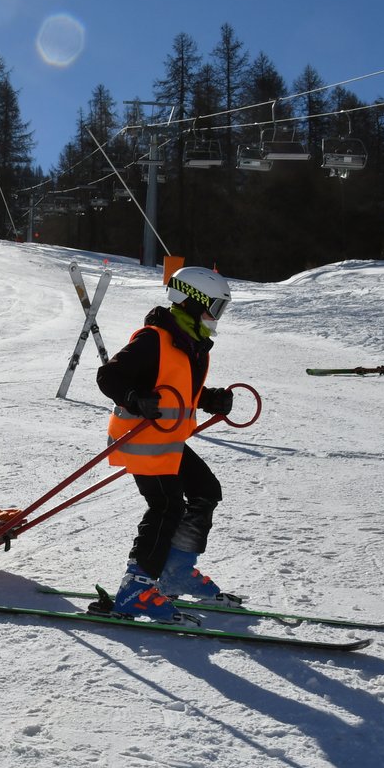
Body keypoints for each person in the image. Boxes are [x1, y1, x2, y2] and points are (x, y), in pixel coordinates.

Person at [96, 266, 237, 621]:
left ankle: (175, 570)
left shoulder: (191, 343)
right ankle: (136, 589)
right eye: (213, 308)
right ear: (191, 303)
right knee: (166, 505)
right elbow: (109, 376)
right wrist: (134, 397)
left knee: (206, 490)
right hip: (141, 438)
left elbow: (177, 389)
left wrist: (210, 399)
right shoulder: (153, 339)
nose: (215, 317)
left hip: (167, 438)